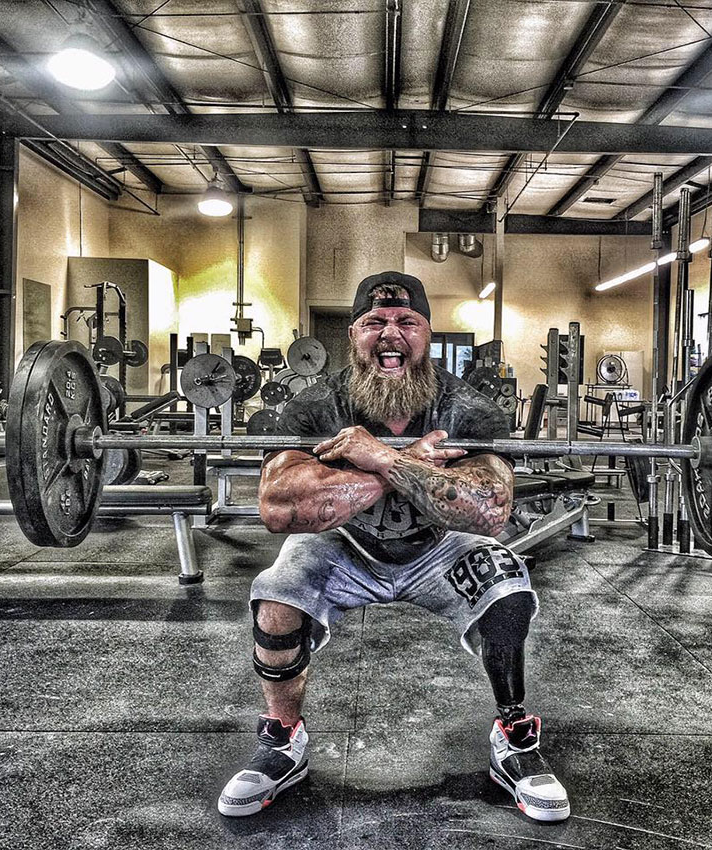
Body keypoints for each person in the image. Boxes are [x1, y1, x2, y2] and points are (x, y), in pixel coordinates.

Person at [218, 271, 570, 822]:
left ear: (426, 335)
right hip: (346, 545)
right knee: (278, 597)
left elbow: (489, 510)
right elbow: (281, 506)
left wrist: (377, 458)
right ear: (353, 335)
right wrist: (408, 469)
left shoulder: (467, 408)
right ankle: (283, 738)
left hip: (439, 546)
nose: (391, 334)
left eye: (407, 322)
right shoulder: (314, 407)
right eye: (374, 322)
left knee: (507, 589)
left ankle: (514, 735)